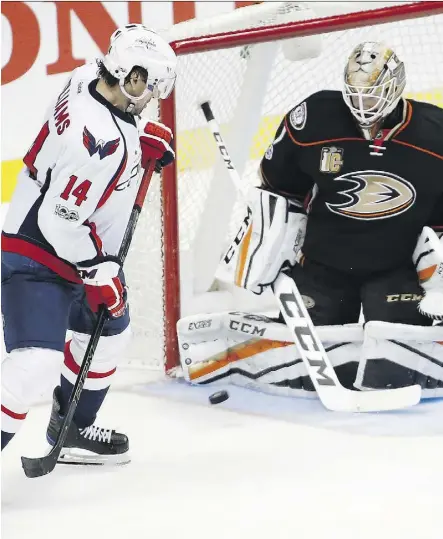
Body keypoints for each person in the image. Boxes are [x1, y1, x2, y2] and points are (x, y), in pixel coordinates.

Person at [177, 42, 443, 400]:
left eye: (373, 95)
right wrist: (272, 232)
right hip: (324, 264)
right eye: (356, 94)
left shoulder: (434, 134)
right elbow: (278, 184)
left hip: (397, 268)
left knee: (399, 357)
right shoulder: (314, 119)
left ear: (396, 86)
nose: (364, 105)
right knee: (306, 360)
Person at [1, 24, 177, 464]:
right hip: (38, 253)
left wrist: (139, 139)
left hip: (73, 243)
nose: (153, 95)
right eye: (150, 85)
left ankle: (74, 428)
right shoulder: (100, 143)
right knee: (35, 364)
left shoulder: (87, 77)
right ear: (132, 77)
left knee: (112, 334)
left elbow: (111, 127)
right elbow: (58, 222)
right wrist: (99, 271)